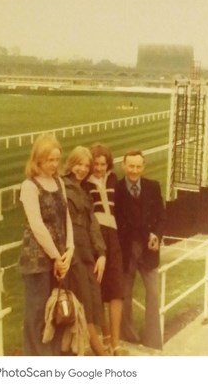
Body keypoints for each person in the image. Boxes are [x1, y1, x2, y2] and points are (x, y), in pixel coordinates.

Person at [19, 133, 74, 356]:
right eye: (49, 160)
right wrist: (56, 257)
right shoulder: (29, 186)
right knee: (38, 311)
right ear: (38, 160)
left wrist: (70, 250)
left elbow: (66, 217)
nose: (54, 164)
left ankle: (54, 356)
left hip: (59, 257)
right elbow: (37, 225)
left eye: (57, 160)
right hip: (38, 259)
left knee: (58, 309)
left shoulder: (58, 182)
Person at [114, 150, 165, 350]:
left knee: (153, 293)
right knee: (124, 295)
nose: (134, 170)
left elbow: (162, 217)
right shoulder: (116, 189)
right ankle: (129, 337)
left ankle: (153, 340)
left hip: (148, 250)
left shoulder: (153, 187)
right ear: (124, 166)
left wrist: (156, 235)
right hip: (126, 251)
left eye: (138, 166)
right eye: (131, 166)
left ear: (143, 167)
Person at [63, 146, 109, 356]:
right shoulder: (62, 186)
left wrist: (101, 254)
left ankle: (96, 349)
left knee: (91, 298)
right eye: (78, 164)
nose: (82, 169)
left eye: (86, 165)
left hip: (87, 251)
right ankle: (101, 353)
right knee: (82, 300)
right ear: (71, 163)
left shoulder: (83, 191)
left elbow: (93, 225)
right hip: (72, 251)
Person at [87, 143, 127, 356]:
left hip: (114, 238)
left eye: (103, 164)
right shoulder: (85, 184)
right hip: (96, 238)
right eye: (96, 164)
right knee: (99, 291)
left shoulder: (113, 180)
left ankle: (116, 343)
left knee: (117, 291)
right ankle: (104, 339)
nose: (99, 168)